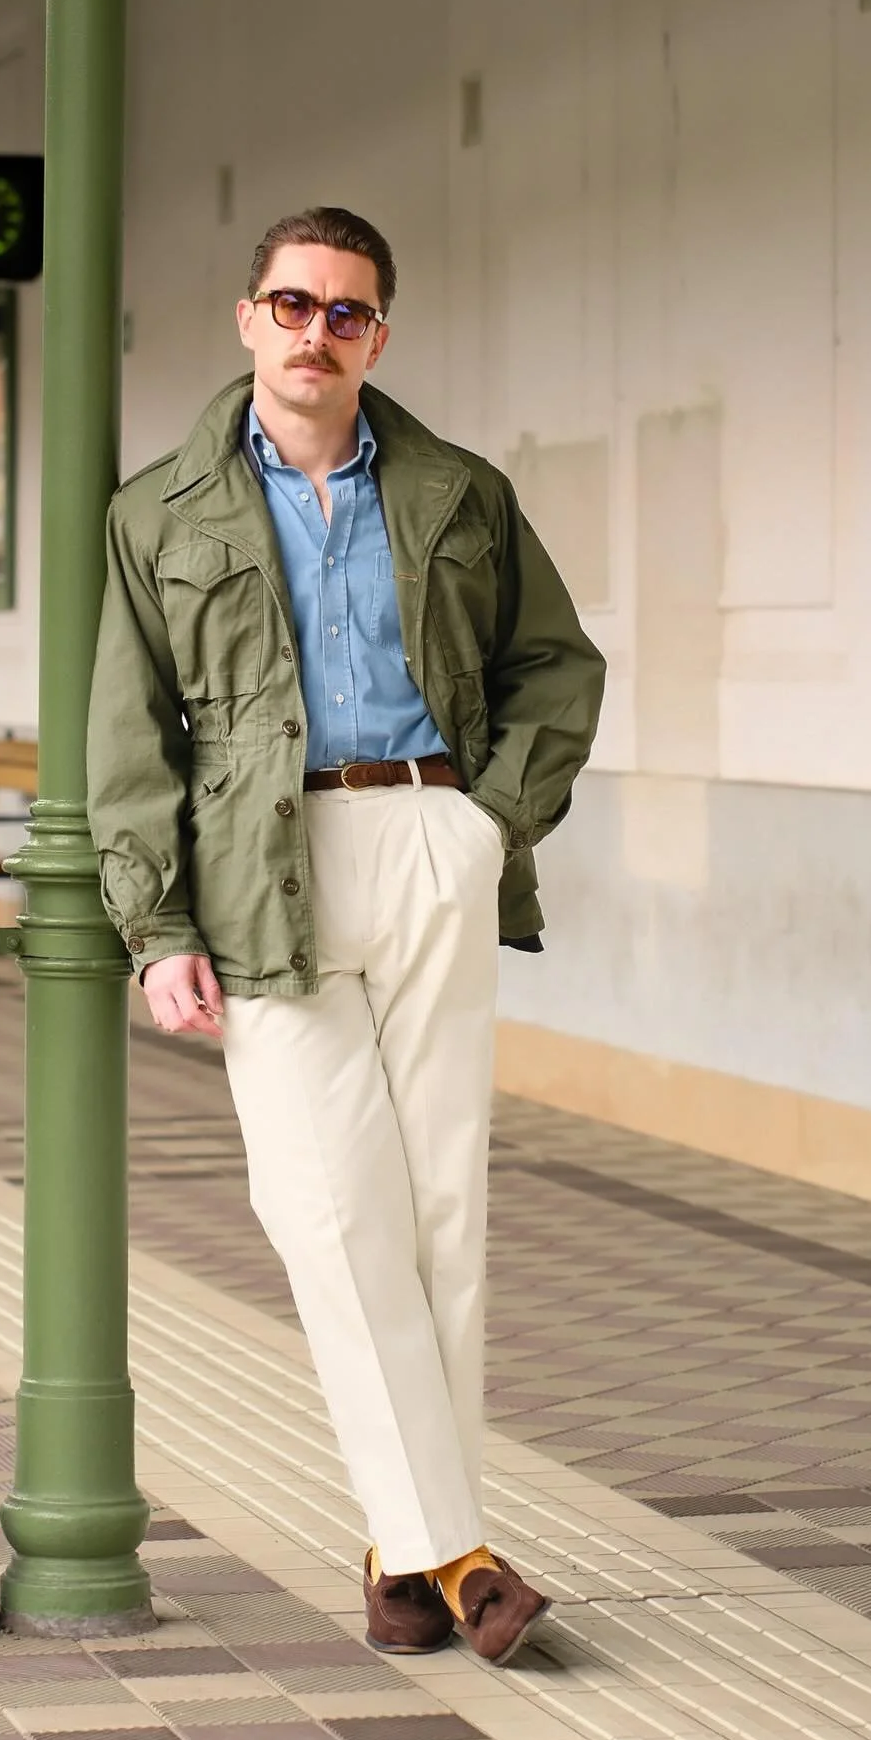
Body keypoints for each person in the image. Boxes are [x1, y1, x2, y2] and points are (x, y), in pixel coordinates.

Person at [87, 206, 605, 1665]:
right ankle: (459, 1552)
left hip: (431, 834)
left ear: (381, 333)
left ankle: (400, 1555)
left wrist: (488, 825)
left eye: (350, 312)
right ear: (246, 316)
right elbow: (127, 739)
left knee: (442, 1211)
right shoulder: (159, 512)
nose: (320, 332)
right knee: (327, 1206)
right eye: (295, 303)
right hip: (267, 866)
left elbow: (557, 664)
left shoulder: (458, 492)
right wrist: (156, 923)